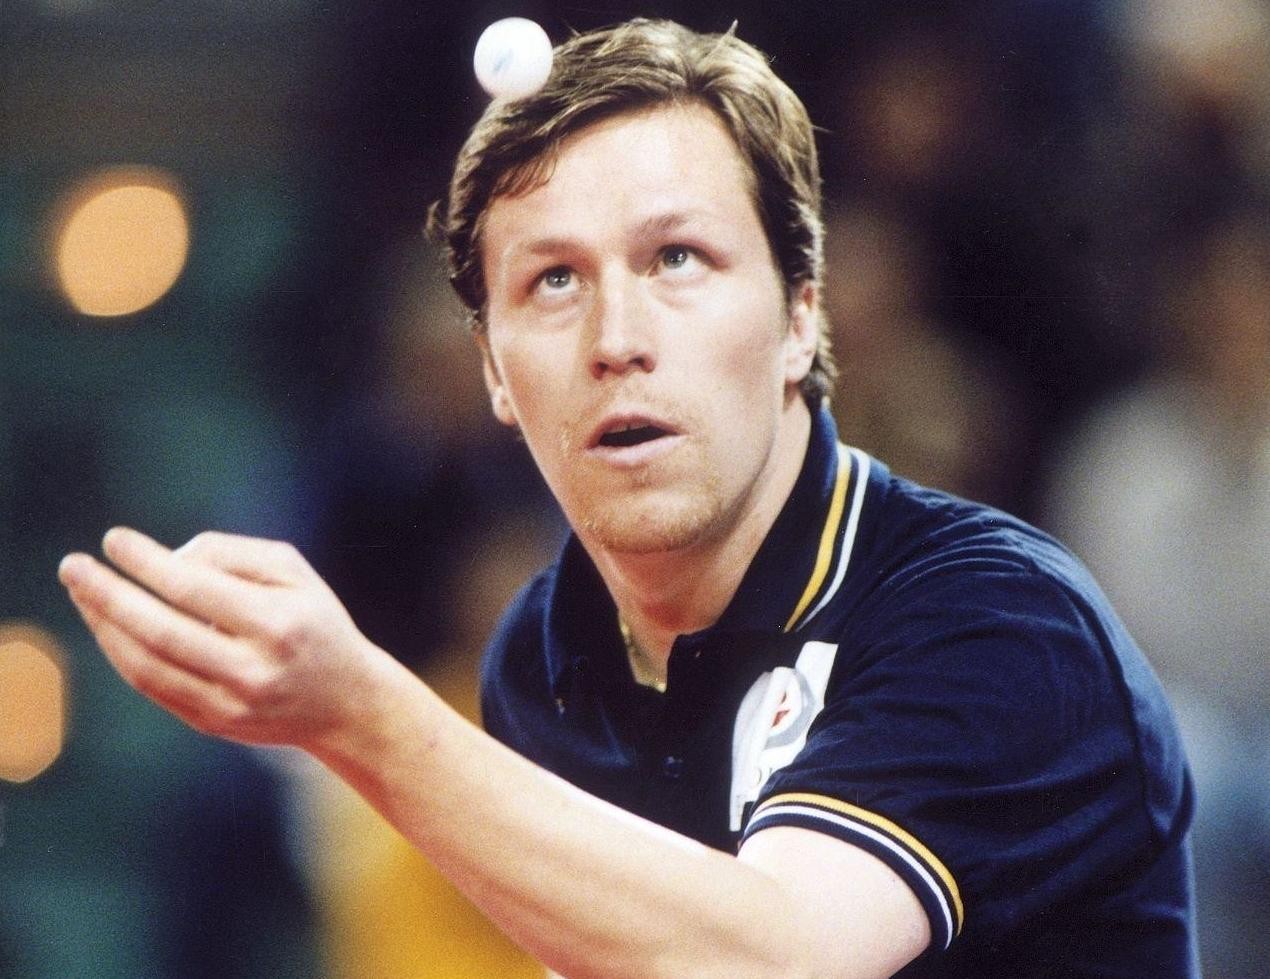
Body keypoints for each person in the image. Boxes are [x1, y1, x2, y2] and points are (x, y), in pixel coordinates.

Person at [58, 19, 1197, 979]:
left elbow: (773, 960)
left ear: (800, 317)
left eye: (677, 260)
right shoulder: (546, 657)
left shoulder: (998, 620)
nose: (616, 338)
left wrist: (359, 713)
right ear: (493, 371)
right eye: (554, 280)